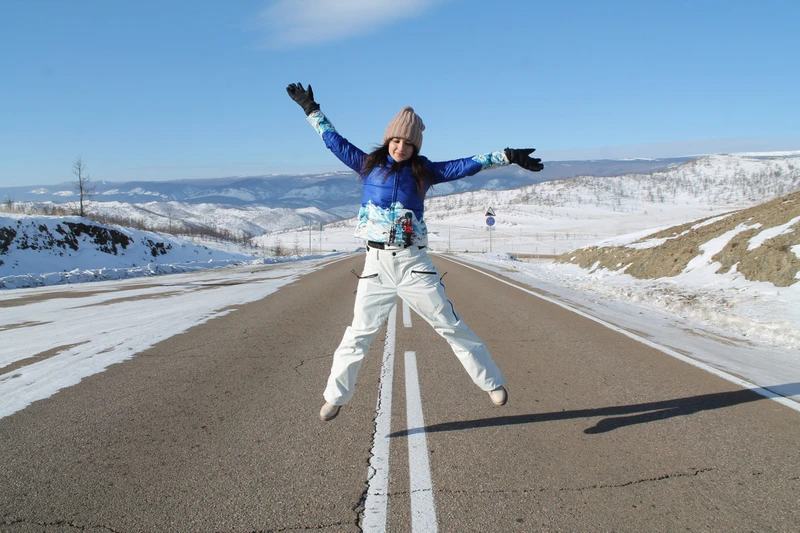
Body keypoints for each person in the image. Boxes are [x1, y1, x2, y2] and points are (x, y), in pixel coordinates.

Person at [286, 83, 544, 421]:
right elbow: (333, 140)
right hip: (375, 265)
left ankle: (491, 382)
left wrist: (508, 156)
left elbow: (468, 164)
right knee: (357, 334)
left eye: (408, 143)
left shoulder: (425, 172)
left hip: (414, 265)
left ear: (415, 146)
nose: (401, 147)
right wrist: (311, 110)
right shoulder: (366, 165)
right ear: (387, 140)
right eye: (396, 140)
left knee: (451, 325)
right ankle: (335, 396)